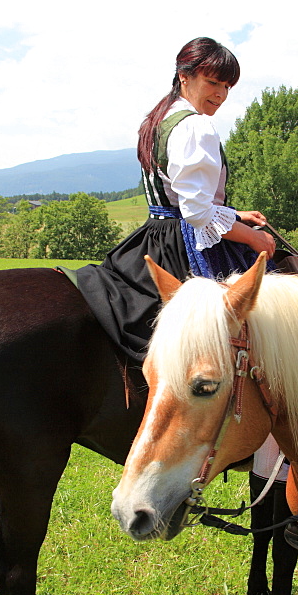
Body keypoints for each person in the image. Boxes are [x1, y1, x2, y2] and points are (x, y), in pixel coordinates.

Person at [70, 37, 276, 364]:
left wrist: (233, 213)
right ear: (185, 76)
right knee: (255, 330)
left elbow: (182, 197)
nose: (220, 95)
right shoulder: (196, 127)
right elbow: (196, 215)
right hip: (183, 246)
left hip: (154, 235)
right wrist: (254, 237)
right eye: (212, 82)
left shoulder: (160, 118)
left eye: (227, 86)